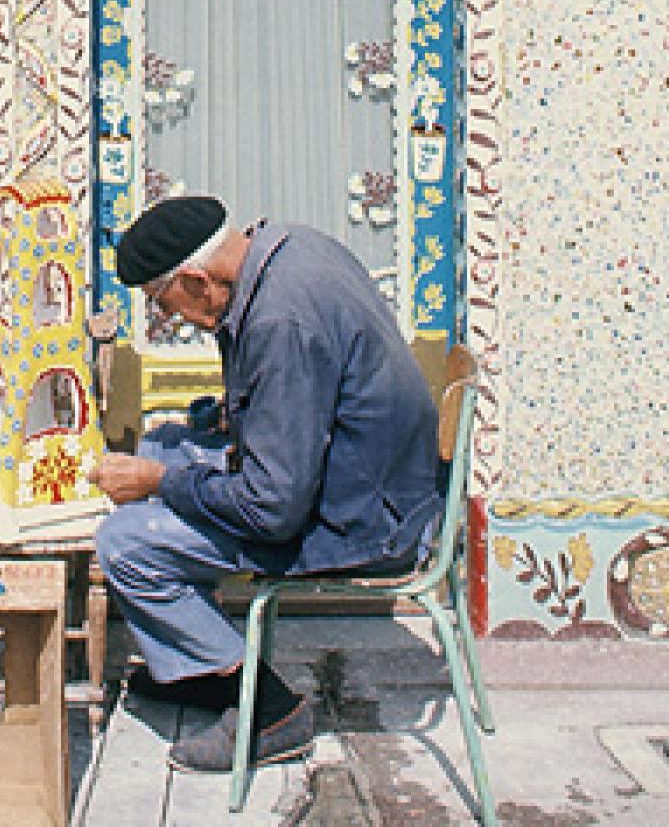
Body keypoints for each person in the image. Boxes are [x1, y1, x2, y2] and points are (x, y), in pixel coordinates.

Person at [89, 196, 444, 773]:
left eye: (167, 303)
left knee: (126, 542)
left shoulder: (280, 320)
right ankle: (205, 668)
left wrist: (162, 483)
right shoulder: (291, 246)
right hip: (370, 478)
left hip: (359, 521)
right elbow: (319, 390)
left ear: (199, 281)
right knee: (163, 441)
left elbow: (273, 508)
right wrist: (223, 423)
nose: (172, 319)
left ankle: (269, 710)